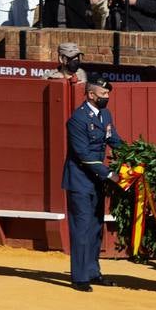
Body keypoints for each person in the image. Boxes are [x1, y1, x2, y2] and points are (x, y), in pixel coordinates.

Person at [63, 78, 123, 291]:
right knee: (81, 228)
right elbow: (83, 155)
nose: (106, 97)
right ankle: (79, 277)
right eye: (103, 94)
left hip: (96, 181)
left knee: (96, 227)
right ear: (91, 95)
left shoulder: (105, 115)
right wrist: (109, 174)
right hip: (79, 181)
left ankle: (92, 272)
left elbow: (113, 139)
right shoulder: (77, 119)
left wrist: (132, 154)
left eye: (108, 94)